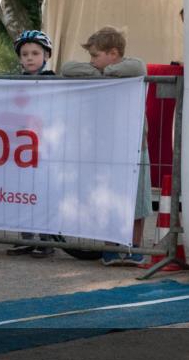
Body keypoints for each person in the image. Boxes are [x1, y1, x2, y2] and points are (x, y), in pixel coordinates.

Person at [61, 26, 151, 266]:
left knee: (138, 202)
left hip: (135, 147)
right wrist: (98, 72)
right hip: (108, 147)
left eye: (95, 56)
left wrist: (105, 72)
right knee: (110, 199)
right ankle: (110, 248)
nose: (91, 61)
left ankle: (134, 247)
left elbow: (139, 67)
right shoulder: (97, 70)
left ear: (113, 53)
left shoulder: (129, 67)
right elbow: (67, 68)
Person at [4, 30, 62, 259]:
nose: (29, 58)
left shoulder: (52, 79)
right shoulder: (13, 82)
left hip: (44, 147)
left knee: (42, 194)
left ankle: (46, 240)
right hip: (20, 148)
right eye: (25, 54)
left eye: (35, 53)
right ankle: (25, 238)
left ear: (46, 55)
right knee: (21, 193)